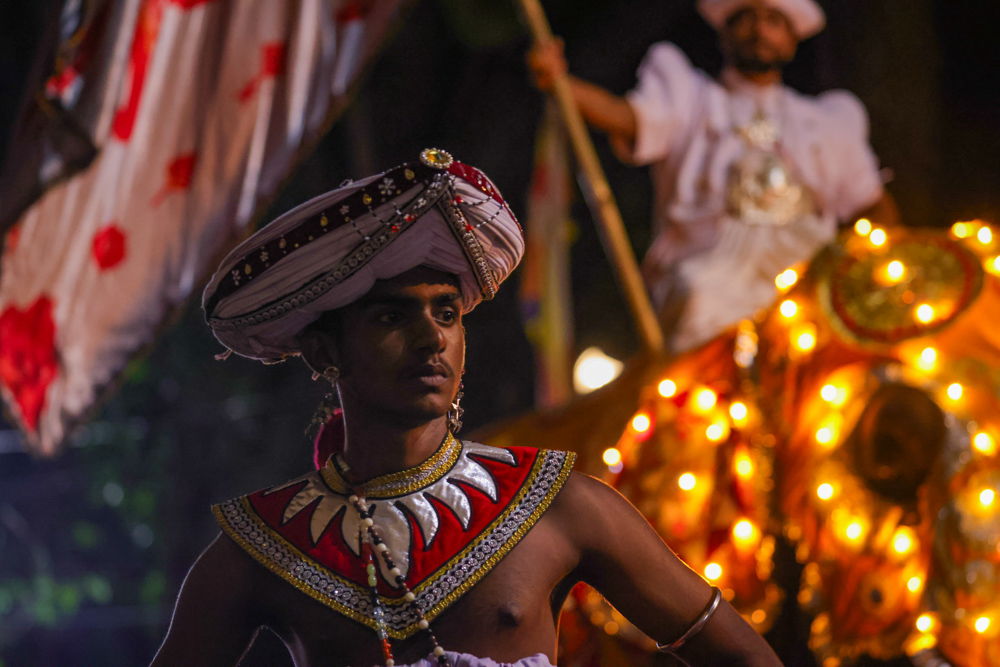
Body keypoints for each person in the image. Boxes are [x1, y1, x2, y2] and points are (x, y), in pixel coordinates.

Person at [150, 149, 782, 667]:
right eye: (393, 317)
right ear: (324, 351)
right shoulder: (261, 549)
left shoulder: (561, 505)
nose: (431, 339)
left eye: (446, 314)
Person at [528, 0, 899, 353]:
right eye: (746, 19)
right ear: (725, 31)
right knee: (699, 304)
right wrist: (562, 82)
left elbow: (872, 203)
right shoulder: (693, 100)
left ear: (792, 38)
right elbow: (625, 116)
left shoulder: (823, 122)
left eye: (774, 22)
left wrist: (869, 266)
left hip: (804, 278)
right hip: (713, 274)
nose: (760, 31)